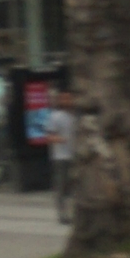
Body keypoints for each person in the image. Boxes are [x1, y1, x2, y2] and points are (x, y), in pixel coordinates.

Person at [45, 90, 76, 222]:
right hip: (61, 157)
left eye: (69, 99)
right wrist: (60, 139)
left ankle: (73, 213)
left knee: (73, 187)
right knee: (61, 186)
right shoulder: (55, 116)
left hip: (74, 156)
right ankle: (62, 214)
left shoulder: (75, 117)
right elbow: (49, 136)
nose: (67, 102)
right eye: (64, 99)